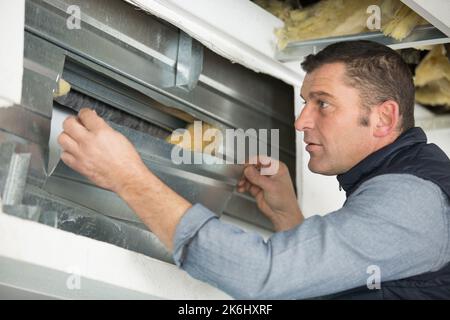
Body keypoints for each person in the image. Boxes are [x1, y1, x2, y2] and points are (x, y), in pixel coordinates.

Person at [57, 40, 450, 299]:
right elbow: (330, 284)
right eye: (304, 103)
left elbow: (262, 276)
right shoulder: (403, 183)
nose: (300, 122)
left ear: (383, 118)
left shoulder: (414, 201)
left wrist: (127, 177)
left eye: (323, 104)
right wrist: (287, 216)